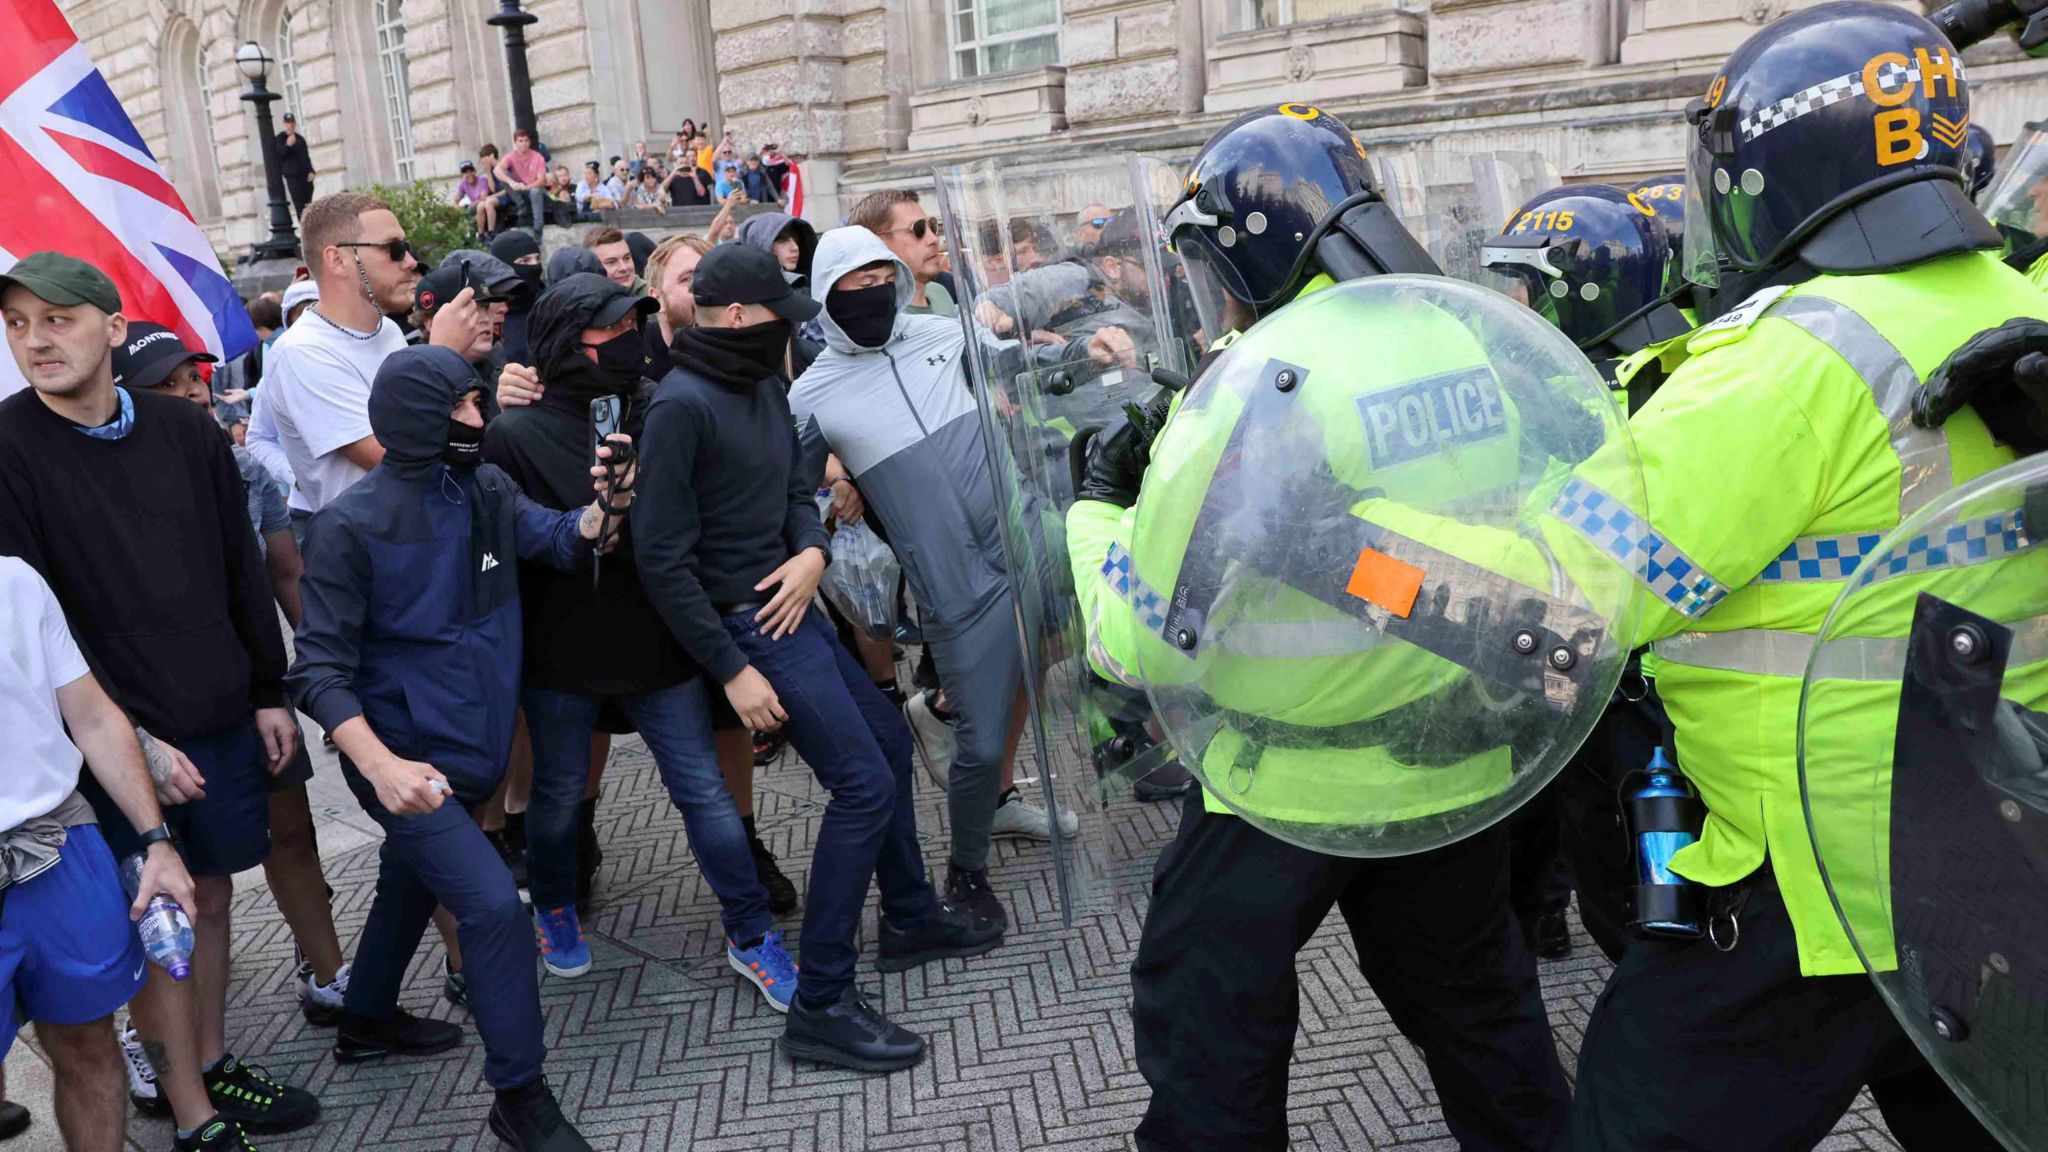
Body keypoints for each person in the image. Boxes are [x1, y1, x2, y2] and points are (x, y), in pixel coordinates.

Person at [1535, 6, 2033, 1146]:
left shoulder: (1784, 361)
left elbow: (1575, 583)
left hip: (1805, 878)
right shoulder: (2023, 306)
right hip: (1989, 846)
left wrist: (1371, 552)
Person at [1064, 106, 1576, 1150]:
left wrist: (1098, 511)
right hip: (1445, 761)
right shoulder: (1459, 333)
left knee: (1208, 1031)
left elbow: (1146, 641)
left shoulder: (1260, 384)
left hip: (1279, 782)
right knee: (1482, 1018)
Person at [633, 243, 1001, 1071]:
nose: (789, 332)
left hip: (793, 602)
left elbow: (794, 493)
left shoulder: (763, 380)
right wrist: (732, 669)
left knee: (891, 742)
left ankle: (907, 916)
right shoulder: (679, 408)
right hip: (751, 625)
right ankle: (823, 1002)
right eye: (777, 316)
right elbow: (659, 558)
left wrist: (812, 554)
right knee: (863, 785)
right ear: (732, 316)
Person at [0, 252, 319, 1149]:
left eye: (56, 319)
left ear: (111, 324)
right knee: (151, 909)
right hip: (104, 740)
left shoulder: (186, 434)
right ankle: (188, 1110)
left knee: (209, 894)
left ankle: (209, 1063)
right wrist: (135, 738)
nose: (35, 341)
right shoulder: (8, 448)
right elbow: (39, 627)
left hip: (216, 707)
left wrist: (266, 688)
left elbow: (240, 568)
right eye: (18, 324)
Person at [290, 334, 629, 1152]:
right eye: (467, 406)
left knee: (407, 881)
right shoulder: (347, 528)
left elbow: (559, 538)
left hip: (474, 751)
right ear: (420, 419)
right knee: (490, 909)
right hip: (408, 766)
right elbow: (318, 672)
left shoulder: (485, 485)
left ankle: (365, 1020)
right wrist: (382, 766)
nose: (483, 416)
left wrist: (602, 507)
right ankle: (519, 1097)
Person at [482, 271, 805, 1004]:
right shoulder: (516, 433)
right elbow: (518, 541)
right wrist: (596, 512)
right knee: (559, 798)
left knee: (705, 794)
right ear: (567, 340)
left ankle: (751, 934)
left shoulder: (659, 408)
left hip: (659, 640)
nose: (627, 341)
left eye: (635, 327)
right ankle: (556, 907)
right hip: (562, 653)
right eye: (610, 330)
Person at [797, 226, 1083, 922]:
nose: (870, 295)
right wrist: (835, 484)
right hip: (951, 586)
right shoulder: (811, 394)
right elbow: (787, 487)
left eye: (879, 279)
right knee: (981, 743)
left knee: (1109, 640)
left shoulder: (943, 333)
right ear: (824, 299)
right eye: (851, 287)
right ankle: (967, 868)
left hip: (1026, 539)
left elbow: (1024, 367)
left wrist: (1084, 348)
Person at [109, 321, 355, 1026]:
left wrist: (326, 677)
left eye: (197, 380)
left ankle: (328, 971)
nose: (193, 395)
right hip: (149, 711)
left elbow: (284, 570)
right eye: (169, 385)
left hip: (253, 690)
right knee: (167, 878)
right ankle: (155, 1034)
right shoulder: (114, 489)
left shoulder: (246, 471)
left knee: (292, 832)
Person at [1478, 182, 1698, 964]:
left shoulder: (1643, 389)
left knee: (1629, 878)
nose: (1520, 308)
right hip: (1588, 670)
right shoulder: (1669, 367)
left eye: (1530, 289)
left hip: (1628, 681)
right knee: (1590, 849)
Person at [0, 554, 199, 1152]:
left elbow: (91, 718)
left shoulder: (15, 579)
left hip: (57, 841)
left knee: (88, 1043)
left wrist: (156, 840)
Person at [264, 191, 425, 530]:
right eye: (393, 249)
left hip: (414, 533)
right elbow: (395, 461)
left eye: (407, 248)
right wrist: (445, 355)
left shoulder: (389, 333)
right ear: (338, 260)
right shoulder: (302, 351)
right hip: (363, 552)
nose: (410, 261)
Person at [846, 190, 953, 315]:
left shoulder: (940, 292)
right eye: (918, 229)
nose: (934, 239)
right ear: (878, 242)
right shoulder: (878, 317)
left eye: (932, 226)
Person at [491, 230, 546, 365]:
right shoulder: (492, 313)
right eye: (525, 261)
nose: (535, 266)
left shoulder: (550, 304)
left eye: (537, 259)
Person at [494, 128, 550, 239]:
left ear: (529, 142)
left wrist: (526, 187)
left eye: (526, 140)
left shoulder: (538, 157)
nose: (523, 144)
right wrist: (512, 182)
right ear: (515, 142)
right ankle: (521, 206)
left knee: (535, 192)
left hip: (535, 189)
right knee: (504, 177)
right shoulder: (511, 156)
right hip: (520, 190)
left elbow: (541, 181)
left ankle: (538, 228)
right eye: (520, 141)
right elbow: (497, 170)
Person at [276, 112, 315, 222]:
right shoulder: (280, 138)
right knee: (299, 205)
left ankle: (309, 226)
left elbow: (306, 157)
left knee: (308, 204)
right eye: (288, 123)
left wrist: (311, 170)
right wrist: (288, 145)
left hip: (304, 175)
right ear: (284, 124)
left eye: (292, 123)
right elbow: (279, 154)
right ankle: (303, 227)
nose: (290, 125)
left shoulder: (300, 139)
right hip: (292, 176)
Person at [586, 227, 642, 292]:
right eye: (611, 262)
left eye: (626, 258)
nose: (624, 268)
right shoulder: (581, 300)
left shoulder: (653, 295)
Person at [455, 160, 500, 236]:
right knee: (460, 214)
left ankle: (482, 234)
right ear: (462, 174)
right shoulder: (463, 184)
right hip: (473, 207)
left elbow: (483, 197)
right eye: (466, 172)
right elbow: (457, 199)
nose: (469, 174)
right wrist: (457, 206)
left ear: (474, 171)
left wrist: (470, 206)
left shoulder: (481, 180)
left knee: (475, 208)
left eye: (471, 171)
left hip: (485, 203)